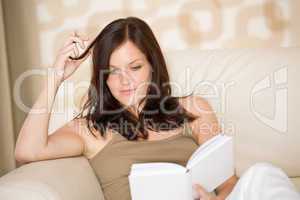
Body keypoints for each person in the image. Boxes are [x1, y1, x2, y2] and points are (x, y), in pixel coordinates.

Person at [14, 17, 299, 200]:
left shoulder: (194, 108)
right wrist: (56, 76)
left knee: (262, 174)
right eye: (112, 71)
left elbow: (227, 185)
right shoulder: (91, 129)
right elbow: (28, 151)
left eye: (135, 67)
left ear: (153, 66)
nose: (124, 80)